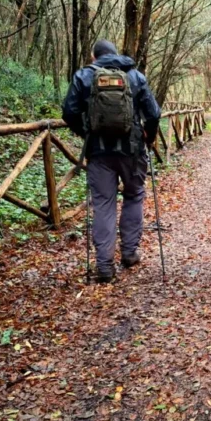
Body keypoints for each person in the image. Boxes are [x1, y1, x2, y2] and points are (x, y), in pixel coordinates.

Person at [63, 39, 161, 283]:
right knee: (134, 195)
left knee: (104, 204)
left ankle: (105, 266)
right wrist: (149, 136)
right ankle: (129, 253)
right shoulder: (135, 76)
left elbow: (69, 112)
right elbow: (154, 113)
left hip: (99, 153)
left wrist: (86, 132)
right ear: (116, 55)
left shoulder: (84, 76)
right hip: (132, 151)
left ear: (94, 57)